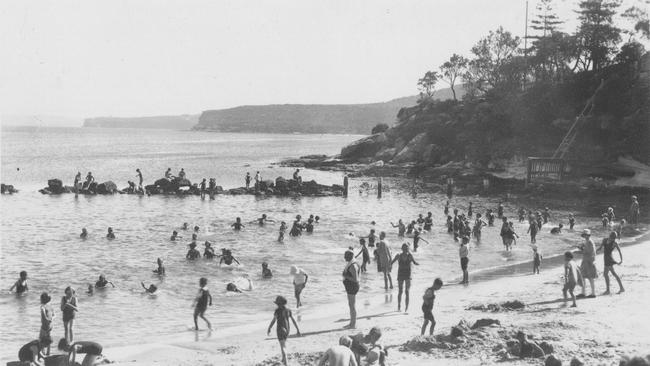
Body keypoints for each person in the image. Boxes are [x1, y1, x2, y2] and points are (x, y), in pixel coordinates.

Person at [267, 295, 301, 366]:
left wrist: (269, 327)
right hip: (287, 329)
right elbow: (293, 320)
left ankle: (286, 362)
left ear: (278, 304)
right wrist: (297, 329)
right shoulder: (288, 310)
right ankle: (283, 359)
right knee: (283, 344)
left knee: (283, 347)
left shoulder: (277, 311)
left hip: (280, 329)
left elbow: (274, 320)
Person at [390, 243, 419, 312]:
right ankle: (399, 306)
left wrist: (418, 264)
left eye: (406, 248)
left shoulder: (410, 256)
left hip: (408, 275)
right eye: (404, 248)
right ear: (402, 249)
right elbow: (391, 262)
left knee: (407, 291)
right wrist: (389, 267)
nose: (405, 249)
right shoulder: (398, 256)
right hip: (400, 274)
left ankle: (406, 307)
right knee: (400, 291)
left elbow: (414, 262)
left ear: (408, 249)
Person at [576, 229, 597, 298]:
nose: (585, 236)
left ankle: (592, 293)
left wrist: (580, 250)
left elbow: (588, 252)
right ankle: (584, 292)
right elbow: (589, 251)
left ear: (588, 235)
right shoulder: (588, 241)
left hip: (589, 261)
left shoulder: (590, 242)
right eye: (585, 235)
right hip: (587, 260)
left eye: (586, 235)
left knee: (589, 277)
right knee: (583, 276)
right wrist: (582, 249)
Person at [343, 250, 360, 329]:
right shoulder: (352, 263)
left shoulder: (353, 265)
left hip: (352, 286)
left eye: (346, 256)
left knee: (352, 305)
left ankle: (353, 324)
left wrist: (345, 276)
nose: (344, 257)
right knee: (351, 305)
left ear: (350, 256)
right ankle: (351, 323)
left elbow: (355, 279)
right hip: (351, 286)